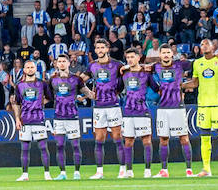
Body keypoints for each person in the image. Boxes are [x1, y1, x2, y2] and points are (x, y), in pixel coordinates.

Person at [189, 39, 218, 177]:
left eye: (206, 44)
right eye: (202, 44)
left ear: (213, 47)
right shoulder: (197, 63)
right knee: (204, 137)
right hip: (203, 105)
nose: (204, 46)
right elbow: (195, 83)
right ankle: (206, 169)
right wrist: (179, 86)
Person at [147, 45, 194, 178]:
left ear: (172, 54)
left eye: (168, 52)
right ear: (160, 55)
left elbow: (197, 63)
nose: (166, 55)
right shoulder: (155, 66)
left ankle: (189, 170)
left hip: (178, 107)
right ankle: (164, 170)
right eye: (164, 53)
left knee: (184, 139)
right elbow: (141, 69)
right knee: (163, 139)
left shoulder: (180, 65)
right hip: (162, 108)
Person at [47, 55, 90, 180]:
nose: (61, 63)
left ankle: (77, 172)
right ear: (56, 64)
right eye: (59, 61)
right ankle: (63, 173)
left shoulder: (76, 79)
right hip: (58, 117)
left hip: (72, 117)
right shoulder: (52, 79)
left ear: (68, 62)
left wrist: (92, 95)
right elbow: (48, 95)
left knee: (75, 145)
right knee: (59, 145)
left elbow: (87, 92)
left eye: (63, 61)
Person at [84, 39, 122, 179]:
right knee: (99, 139)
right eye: (97, 47)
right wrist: (88, 94)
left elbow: (127, 78)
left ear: (107, 49)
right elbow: (80, 81)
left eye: (102, 47)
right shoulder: (92, 65)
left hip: (113, 105)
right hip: (99, 107)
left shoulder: (117, 65)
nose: (100, 50)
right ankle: (99, 172)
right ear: (95, 50)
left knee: (117, 137)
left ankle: (123, 170)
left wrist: (118, 90)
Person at [121, 49, 155, 178]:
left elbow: (156, 87)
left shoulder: (146, 73)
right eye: (128, 57)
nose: (129, 59)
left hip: (142, 111)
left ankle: (147, 170)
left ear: (138, 58)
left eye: (132, 57)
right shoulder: (124, 74)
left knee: (146, 141)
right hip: (128, 111)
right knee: (128, 141)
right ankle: (129, 171)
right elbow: (118, 88)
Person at [12, 60, 49, 181]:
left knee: (43, 147)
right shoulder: (19, 85)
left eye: (32, 67)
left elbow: (50, 97)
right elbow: (16, 103)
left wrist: (38, 104)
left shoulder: (42, 83)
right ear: (24, 70)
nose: (30, 69)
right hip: (25, 120)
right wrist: (17, 118)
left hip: (38, 119)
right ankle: (24, 175)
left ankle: (47, 174)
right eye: (27, 67)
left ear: (35, 69)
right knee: (25, 148)